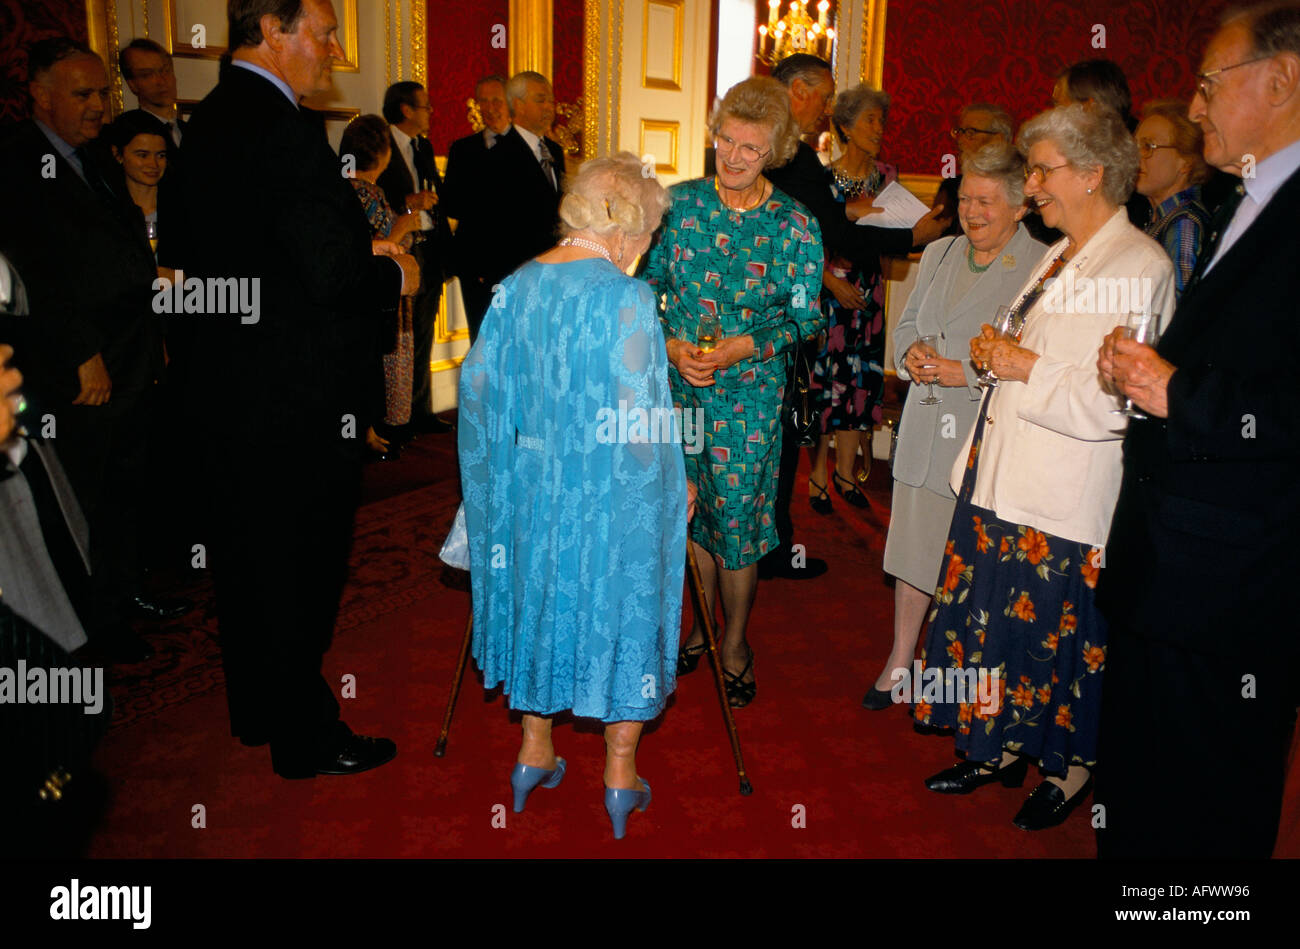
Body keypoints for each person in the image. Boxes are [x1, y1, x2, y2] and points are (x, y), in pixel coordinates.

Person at [172, 0, 416, 779]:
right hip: (297, 399)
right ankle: (305, 736)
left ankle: (259, 710)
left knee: (247, 560)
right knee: (299, 566)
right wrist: (390, 268)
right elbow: (331, 273)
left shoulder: (208, 118)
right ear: (272, 32)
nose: (337, 51)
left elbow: (198, 255)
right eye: (325, 32)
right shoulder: (280, 129)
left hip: (227, 385)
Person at [914, 104, 1175, 831]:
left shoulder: (1137, 265)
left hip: (1062, 499)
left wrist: (1021, 361)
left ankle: (1071, 769)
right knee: (990, 626)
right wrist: (1004, 356)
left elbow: (1112, 403)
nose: (1031, 186)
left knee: (1055, 645)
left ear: (1094, 174)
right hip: (1001, 480)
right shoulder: (1061, 252)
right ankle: (991, 747)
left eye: (1043, 170)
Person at [1096, 0, 1300, 858]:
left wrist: (1179, 391)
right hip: (1172, 564)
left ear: (1282, 81)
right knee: (1144, 786)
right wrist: (1154, 375)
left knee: (1205, 810)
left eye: (1211, 82)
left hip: (1233, 586)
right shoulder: (1244, 198)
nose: (1197, 104)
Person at [458, 153, 690, 839]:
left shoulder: (516, 283)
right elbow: (640, 421)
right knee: (622, 609)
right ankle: (620, 775)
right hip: (610, 495)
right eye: (647, 234)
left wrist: (503, 469)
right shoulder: (627, 298)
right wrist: (675, 492)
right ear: (619, 226)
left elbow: (476, 388)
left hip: (531, 490)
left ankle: (533, 753)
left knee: (541, 600)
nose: (645, 252)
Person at [642, 77, 824, 708]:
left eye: (752, 146)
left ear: (775, 150)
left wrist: (746, 346)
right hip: (679, 389)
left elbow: (807, 316)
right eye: (727, 139)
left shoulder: (794, 224)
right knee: (690, 512)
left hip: (749, 398)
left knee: (739, 525)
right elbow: (645, 286)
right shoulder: (680, 205)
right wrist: (669, 346)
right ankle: (697, 625)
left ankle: (737, 641)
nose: (735, 155)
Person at [863, 142, 1045, 709]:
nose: (972, 211)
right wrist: (911, 351)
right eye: (965, 198)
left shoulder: (1040, 264)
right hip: (922, 428)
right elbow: (908, 322)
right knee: (916, 552)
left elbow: (1035, 357)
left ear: (1020, 207)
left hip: (983, 437)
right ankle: (900, 658)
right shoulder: (941, 251)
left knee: (973, 565)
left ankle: (958, 674)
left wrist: (961, 371)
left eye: (987, 202)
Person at [0, 37, 164, 665]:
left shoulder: (94, 157)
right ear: (39, 95)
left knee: (126, 490)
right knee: (86, 498)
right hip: (80, 368)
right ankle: (89, 627)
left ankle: (120, 605)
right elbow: (34, 271)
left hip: (131, 355)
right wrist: (80, 351)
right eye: (84, 94)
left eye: (103, 92)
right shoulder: (16, 161)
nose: (100, 105)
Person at [762, 53, 946, 580]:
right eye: (822, 96)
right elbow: (830, 237)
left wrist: (853, 214)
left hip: (776, 312)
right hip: (783, 314)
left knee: (781, 431)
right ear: (798, 90)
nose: (826, 109)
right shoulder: (790, 156)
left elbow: (826, 216)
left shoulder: (782, 154)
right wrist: (912, 238)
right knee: (784, 430)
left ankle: (767, 540)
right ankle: (771, 547)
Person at [806, 84, 901, 513]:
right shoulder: (821, 180)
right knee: (826, 386)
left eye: (881, 120)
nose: (878, 128)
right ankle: (817, 474)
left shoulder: (888, 178)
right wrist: (831, 282)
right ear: (845, 126)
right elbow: (807, 243)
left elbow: (896, 236)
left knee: (860, 384)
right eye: (869, 119)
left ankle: (847, 475)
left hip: (869, 295)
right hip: (829, 292)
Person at [340, 113, 425, 459]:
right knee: (371, 364)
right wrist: (404, 227)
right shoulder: (369, 193)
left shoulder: (338, 188)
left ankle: (366, 430)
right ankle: (367, 432)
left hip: (351, 294)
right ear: (382, 152)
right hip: (378, 292)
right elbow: (387, 244)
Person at [457, 71, 564, 342]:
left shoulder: (555, 151)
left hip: (549, 278)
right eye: (541, 100)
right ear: (517, 105)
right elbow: (481, 222)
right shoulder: (496, 157)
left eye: (551, 100)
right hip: (508, 279)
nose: (549, 107)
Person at [375, 81, 454, 437]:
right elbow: (375, 199)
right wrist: (411, 202)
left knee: (422, 336)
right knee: (396, 340)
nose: (430, 113)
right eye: (426, 106)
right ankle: (393, 418)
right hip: (395, 251)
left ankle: (420, 410)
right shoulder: (379, 142)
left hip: (427, 250)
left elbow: (433, 194)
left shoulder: (423, 146)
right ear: (406, 110)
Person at [443, 75, 511, 342]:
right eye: (483, 101)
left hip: (516, 264)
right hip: (475, 266)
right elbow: (451, 204)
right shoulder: (463, 149)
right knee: (480, 340)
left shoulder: (528, 148)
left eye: (496, 100)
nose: (489, 107)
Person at [1133, 100, 1212, 297]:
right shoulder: (1162, 218)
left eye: (1148, 146)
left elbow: (1178, 306)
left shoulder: (1184, 223)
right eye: (1134, 147)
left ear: (1185, 161)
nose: (1136, 157)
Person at [931, 103, 1014, 237]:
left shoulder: (1018, 188)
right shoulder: (951, 188)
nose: (960, 140)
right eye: (960, 132)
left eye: (971, 133)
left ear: (998, 140)